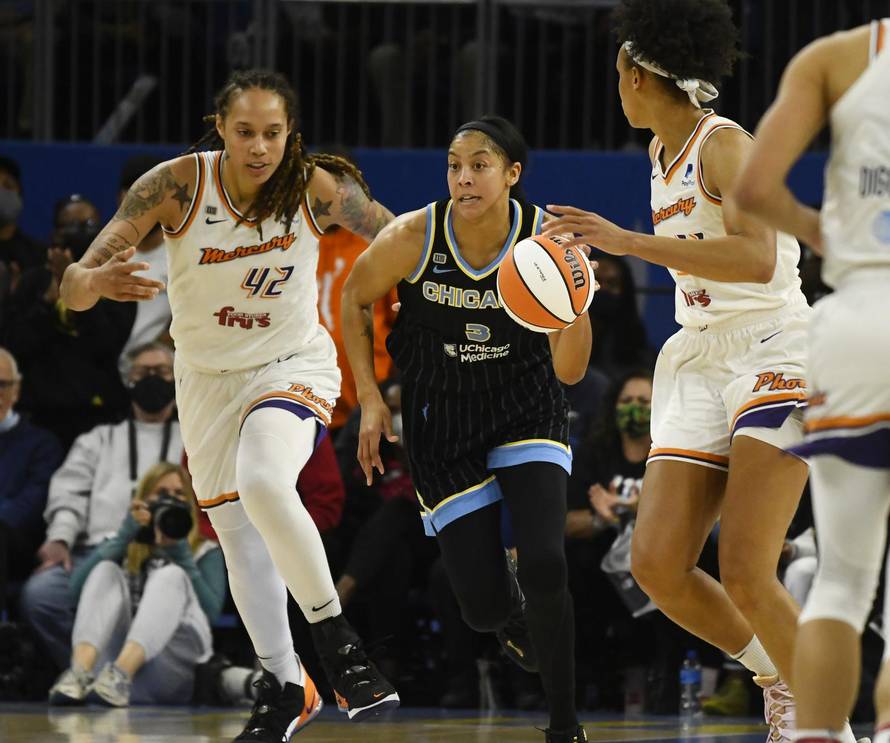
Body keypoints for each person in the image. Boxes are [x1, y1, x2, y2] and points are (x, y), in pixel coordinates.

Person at [541, 3, 856, 742]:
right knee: (655, 564)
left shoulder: (726, 147)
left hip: (773, 347)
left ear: (641, 74)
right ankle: (775, 676)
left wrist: (627, 243)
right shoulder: (661, 152)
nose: (615, 88)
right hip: (699, 352)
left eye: (619, 74)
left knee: (747, 565)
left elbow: (762, 257)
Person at [58, 69, 399, 742]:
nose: (259, 146)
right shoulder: (176, 184)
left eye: (273, 133)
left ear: (290, 135)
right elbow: (71, 288)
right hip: (207, 381)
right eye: (245, 132)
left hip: (291, 364)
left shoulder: (313, 186)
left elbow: (401, 239)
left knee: (267, 480)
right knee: (239, 538)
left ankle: (338, 645)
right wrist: (93, 279)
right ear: (221, 128)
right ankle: (284, 684)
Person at [341, 114, 592, 743]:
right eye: (454, 165)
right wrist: (370, 400)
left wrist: (574, 302)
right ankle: (502, 607)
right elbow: (352, 296)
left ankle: (565, 726)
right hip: (442, 418)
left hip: (527, 406)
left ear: (512, 174)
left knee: (545, 562)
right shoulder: (413, 237)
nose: (464, 177)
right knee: (480, 609)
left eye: (479, 164)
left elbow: (570, 371)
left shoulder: (545, 245)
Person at [731, 16, 890, 743]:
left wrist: (823, 229)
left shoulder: (836, 55)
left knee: (841, 583)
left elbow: (755, 190)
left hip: (855, 320)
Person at [21, 341, 183, 668]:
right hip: (96, 551)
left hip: (170, 554)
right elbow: (69, 493)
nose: (153, 379)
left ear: (177, 379)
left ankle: (135, 673)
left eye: (162, 372)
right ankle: (93, 671)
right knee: (40, 596)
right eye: (143, 372)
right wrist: (60, 538)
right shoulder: (99, 439)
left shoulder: (195, 439)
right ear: (128, 381)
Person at [47, 462, 225, 707]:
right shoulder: (122, 539)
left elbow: (212, 614)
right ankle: (79, 672)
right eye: (161, 494)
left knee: (170, 575)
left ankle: (122, 672)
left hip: (175, 670)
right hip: (106, 681)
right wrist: (121, 540)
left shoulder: (205, 549)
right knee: (105, 570)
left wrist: (183, 558)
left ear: (191, 503)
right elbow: (74, 592)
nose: (170, 501)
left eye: (179, 494)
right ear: (143, 499)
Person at [0, 346, 62, 616]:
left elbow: (28, 508)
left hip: (16, 545)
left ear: (17, 389)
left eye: (2, 385)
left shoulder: (42, 445)